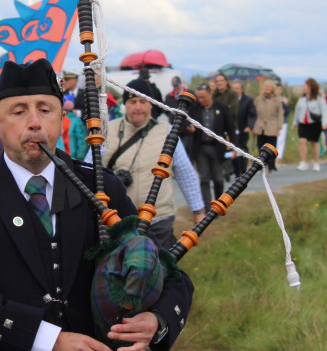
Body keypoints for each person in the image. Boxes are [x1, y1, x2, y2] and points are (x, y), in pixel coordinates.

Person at [0, 58, 194, 351]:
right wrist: (50, 341)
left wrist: (157, 318)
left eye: (45, 109)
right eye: (18, 111)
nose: (34, 122)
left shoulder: (102, 190)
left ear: (62, 118)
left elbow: (166, 270)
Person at [102, 79, 207, 248]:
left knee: (159, 270)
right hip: (117, 220)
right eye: (132, 101)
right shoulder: (107, 131)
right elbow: (90, 170)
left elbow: (185, 173)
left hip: (159, 219)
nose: (138, 107)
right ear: (125, 105)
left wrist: (198, 211)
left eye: (143, 101)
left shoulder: (167, 132)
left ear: (151, 105)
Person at [188, 83, 236, 200]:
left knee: (218, 178)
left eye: (203, 97)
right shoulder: (194, 108)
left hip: (217, 148)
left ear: (211, 94)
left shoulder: (222, 107)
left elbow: (230, 128)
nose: (201, 100)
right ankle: (207, 207)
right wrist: (188, 127)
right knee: (204, 178)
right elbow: (184, 122)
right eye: (199, 97)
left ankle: (218, 204)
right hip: (201, 148)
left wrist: (234, 147)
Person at [292, 78, 326, 172]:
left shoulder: (319, 98)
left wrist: (324, 123)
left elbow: (324, 110)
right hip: (303, 123)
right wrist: (294, 123)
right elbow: (297, 111)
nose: (303, 88)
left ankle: (316, 162)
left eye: (305, 86)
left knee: (314, 143)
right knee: (302, 141)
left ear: (310, 87)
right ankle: (303, 162)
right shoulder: (302, 98)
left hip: (315, 123)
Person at [253, 80, 285, 171]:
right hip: (260, 125)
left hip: (272, 126)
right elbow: (254, 113)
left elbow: (280, 115)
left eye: (269, 87)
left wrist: (279, 128)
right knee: (260, 145)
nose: (267, 88)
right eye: (266, 87)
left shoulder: (277, 100)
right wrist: (253, 126)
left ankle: (271, 166)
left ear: (273, 89)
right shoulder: (259, 99)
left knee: (271, 146)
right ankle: (263, 164)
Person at [231, 80, 257, 177]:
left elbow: (253, 115)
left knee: (242, 149)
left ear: (241, 90)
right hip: (232, 128)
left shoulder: (248, 100)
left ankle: (243, 170)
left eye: (237, 89)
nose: (235, 91)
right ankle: (236, 171)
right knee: (232, 148)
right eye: (233, 89)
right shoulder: (230, 99)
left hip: (243, 129)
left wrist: (250, 126)